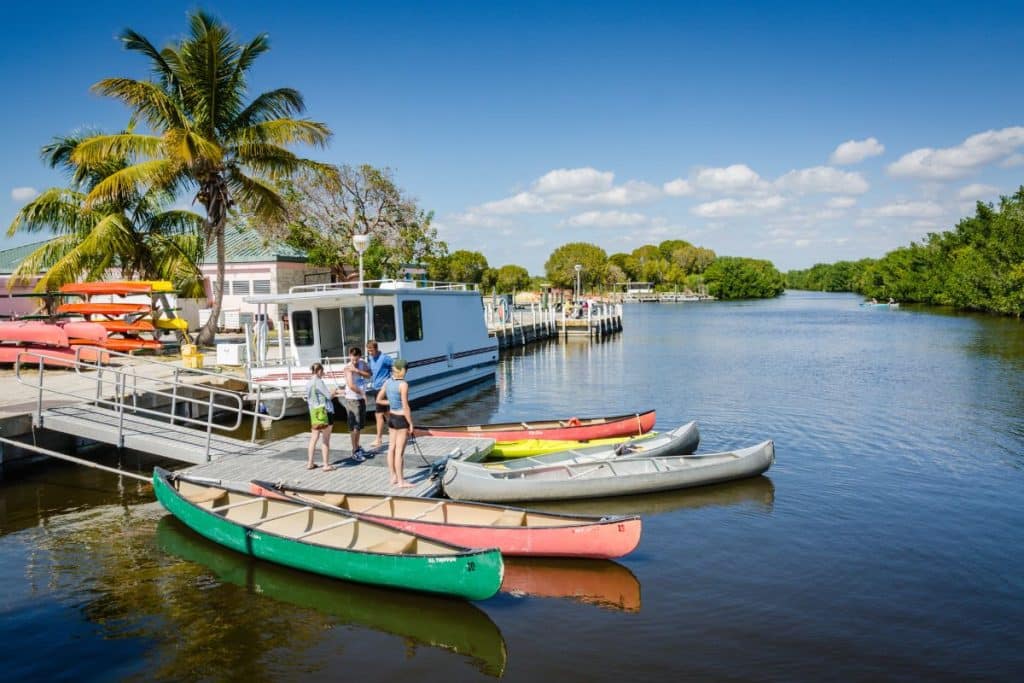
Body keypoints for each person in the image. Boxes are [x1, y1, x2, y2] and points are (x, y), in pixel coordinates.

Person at [377, 358, 414, 487]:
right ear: (402, 370)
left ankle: (393, 476)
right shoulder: (403, 384)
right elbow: (405, 406)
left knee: (391, 449)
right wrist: (410, 424)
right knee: (399, 453)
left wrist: (391, 403)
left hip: (391, 418)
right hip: (401, 419)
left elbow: (379, 400)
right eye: (406, 369)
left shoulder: (387, 382)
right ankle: (401, 481)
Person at [306, 362, 340, 471]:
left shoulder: (308, 383)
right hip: (325, 412)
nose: (323, 373)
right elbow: (329, 396)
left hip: (314, 413)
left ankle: (310, 463)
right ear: (319, 371)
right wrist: (334, 391)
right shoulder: (319, 382)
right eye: (322, 371)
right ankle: (326, 465)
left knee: (313, 438)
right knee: (325, 439)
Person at [342, 346, 372, 461]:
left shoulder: (362, 363)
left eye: (356, 359)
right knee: (354, 425)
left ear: (359, 357)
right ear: (350, 355)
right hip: (352, 398)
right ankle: (354, 450)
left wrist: (358, 371)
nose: (354, 361)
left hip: (360, 398)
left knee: (359, 426)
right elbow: (350, 385)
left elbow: (369, 375)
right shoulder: (347, 368)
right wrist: (362, 393)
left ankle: (358, 446)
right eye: (353, 359)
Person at [366, 340, 394, 448]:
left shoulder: (384, 358)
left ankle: (379, 439)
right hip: (375, 388)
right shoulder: (370, 358)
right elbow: (372, 372)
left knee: (378, 414)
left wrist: (390, 380)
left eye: (371, 350)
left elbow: (395, 367)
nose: (370, 353)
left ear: (376, 349)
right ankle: (395, 431)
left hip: (383, 389)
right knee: (386, 413)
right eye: (368, 351)